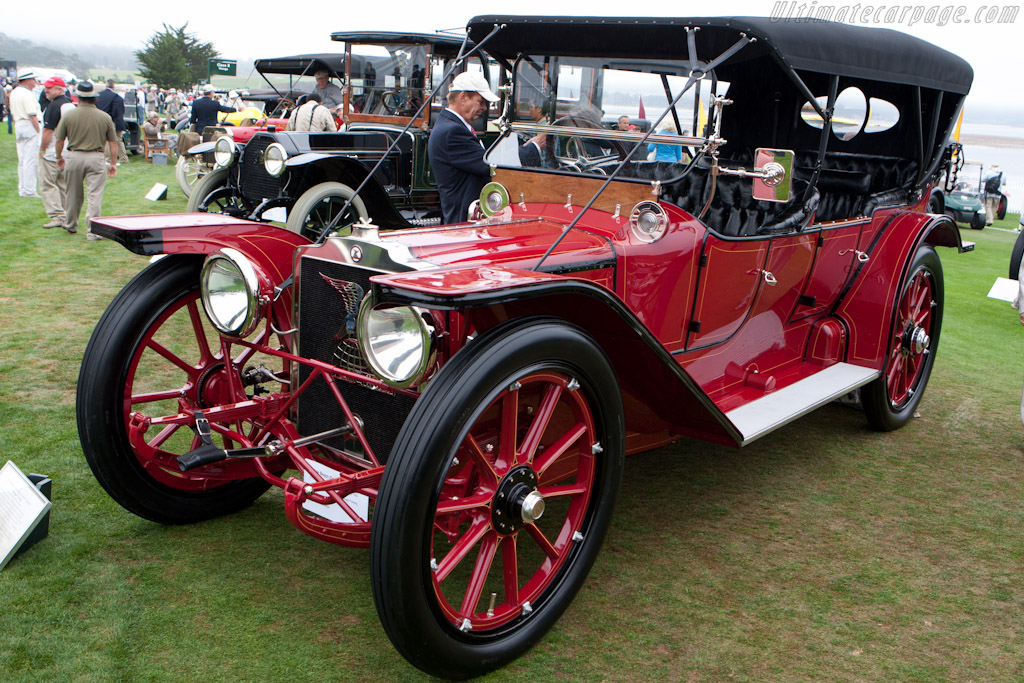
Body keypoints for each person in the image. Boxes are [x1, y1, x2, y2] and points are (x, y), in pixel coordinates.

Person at [428, 72, 545, 224]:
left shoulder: (450, 126)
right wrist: (535, 147)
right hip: (465, 221)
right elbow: (489, 163)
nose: (484, 107)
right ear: (463, 97)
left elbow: (482, 159)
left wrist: (526, 148)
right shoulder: (451, 131)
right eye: (480, 101)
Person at [54, 80, 118, 240]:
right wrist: (113, 163)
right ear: (93, 98)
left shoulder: (69, 115)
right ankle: (93, 231)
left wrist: (58, 157)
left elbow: (59, 139)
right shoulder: (104, 117)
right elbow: (113, 142)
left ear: (78, 97)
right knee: (95, 195)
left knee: (72, 193)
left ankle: (70, 224)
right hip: (96, 157)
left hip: (74, 156)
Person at [38, 76, 73, 228]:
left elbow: (48, 130)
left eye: (49, 88)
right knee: (63, 184)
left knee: (47, 184)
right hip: (68, 151)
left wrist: (42, 149)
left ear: (59, 89)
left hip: (53, 151)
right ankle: (67, 214)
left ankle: (57, 215)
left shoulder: (54, 107)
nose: (46, 90)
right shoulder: (70, 106)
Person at [11, 68, 43, 197]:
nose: (35, 82)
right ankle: (29, 190)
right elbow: (32, 115)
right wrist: (38, 131)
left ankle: (23, 188)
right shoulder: (27, 94)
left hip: (19, 124)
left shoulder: (15, 92)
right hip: (29, 125)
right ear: (27, 80)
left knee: (22, 158)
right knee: (31, 159)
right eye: (33, 79)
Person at [96, 80, 128, 164]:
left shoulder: (98, 95)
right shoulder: (116, 97)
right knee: (118, 140)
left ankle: (108, 158)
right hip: (115, 121)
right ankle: (123, 158)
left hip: (100, 121)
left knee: (106, 140)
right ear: (113, 87)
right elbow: (117, 111)